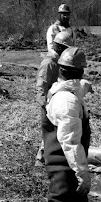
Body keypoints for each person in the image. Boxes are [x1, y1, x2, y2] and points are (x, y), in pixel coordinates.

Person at [38, 47, 91, 202]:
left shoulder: (63, 91)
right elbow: (70, 143)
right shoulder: (66, 101)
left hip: (65, 161)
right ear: (80, 72)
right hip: (64, 164)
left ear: (61, 70)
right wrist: (82, 173)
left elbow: (79, 88)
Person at [35, 30, 76, 165]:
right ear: (59, 47)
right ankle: (41, 159)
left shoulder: (59, 62)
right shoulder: (49, 63)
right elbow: (41, 86)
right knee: (49, 131)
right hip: (48, 103)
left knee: (57, 131)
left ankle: (51, 157)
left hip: (57, 101)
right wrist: (45, 104)